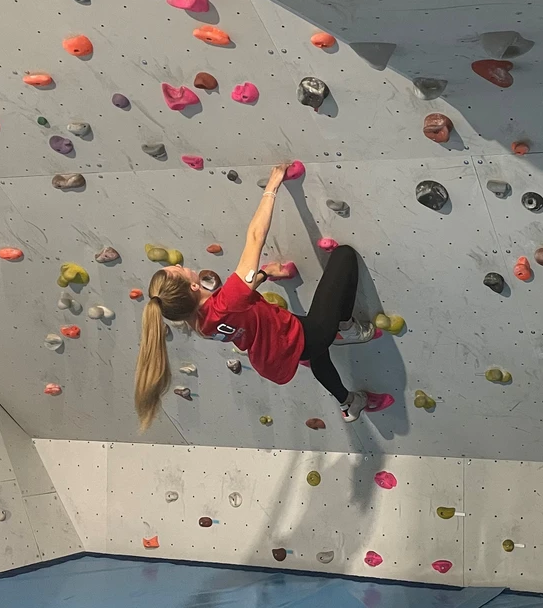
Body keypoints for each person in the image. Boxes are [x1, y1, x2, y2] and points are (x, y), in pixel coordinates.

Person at [134, 163, 381, 432]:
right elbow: (255, 237)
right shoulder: (228, 299)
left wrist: (263, 273)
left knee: (319, 356)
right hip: (302, 335)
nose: (181, 266)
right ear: (193, 288)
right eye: (178, 270)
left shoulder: (197, 322)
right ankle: (346, 327)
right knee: (343, 256)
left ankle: (349, 403)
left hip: (274, 350)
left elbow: (241, 298)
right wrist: (273, 187)